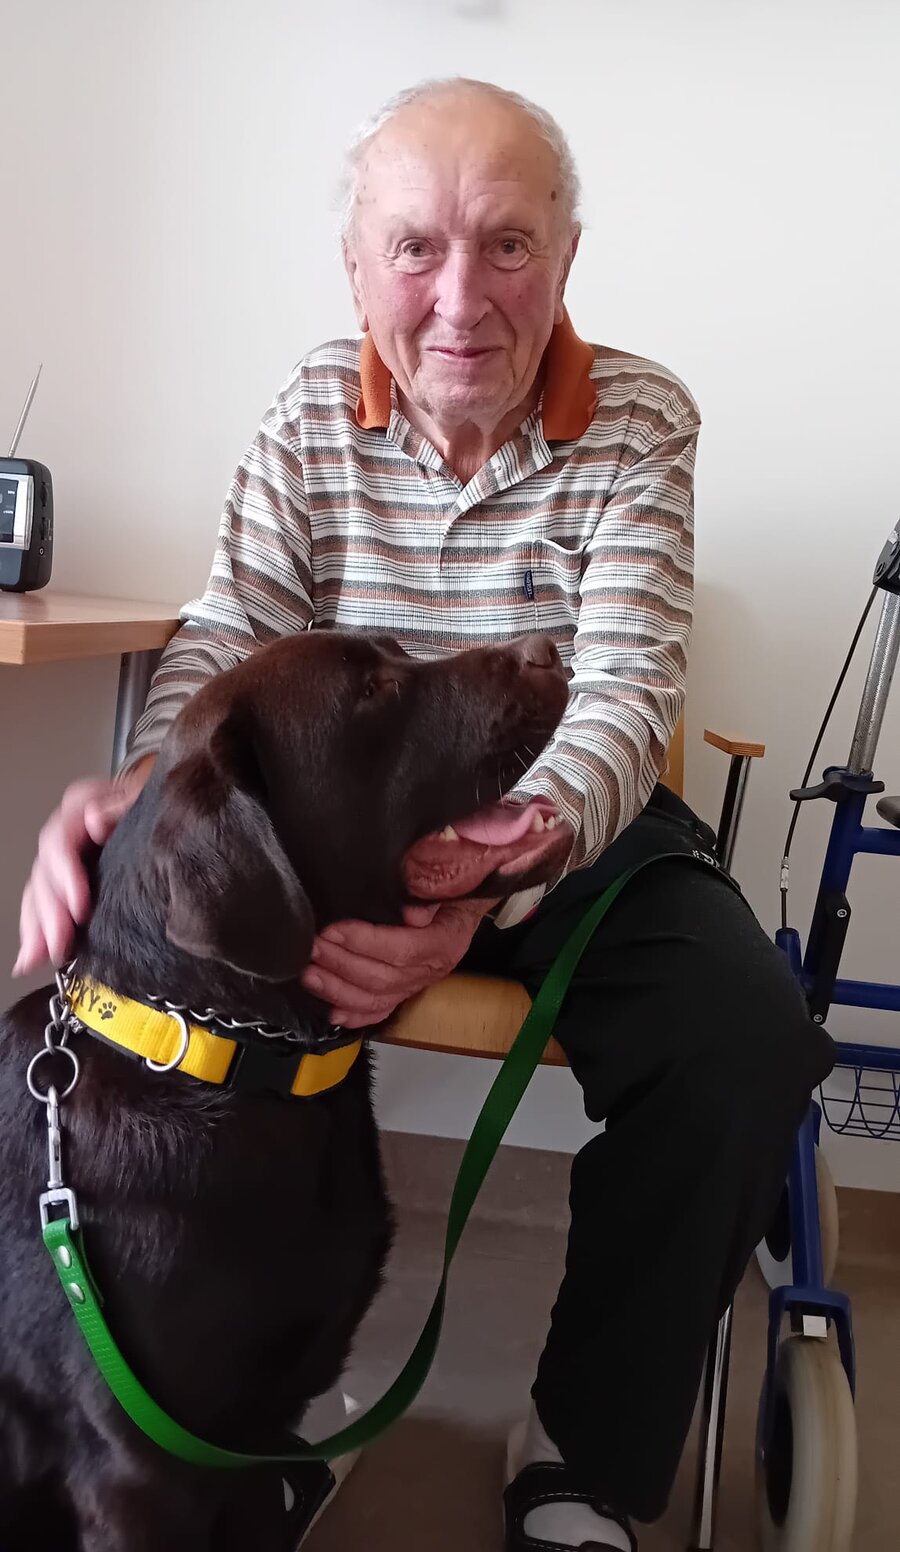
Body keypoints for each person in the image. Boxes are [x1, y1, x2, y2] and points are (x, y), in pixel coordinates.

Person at [14, 79, 833, 1551]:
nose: (462, 298)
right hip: (354, 834)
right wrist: (140, 796)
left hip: (565, 832)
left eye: (508, 245)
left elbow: (625, 690)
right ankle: (226, 1412)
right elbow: (232, 632)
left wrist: (486, 877)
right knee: (145, 976)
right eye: (415, 248)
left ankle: (588, 1452)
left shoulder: (641, 415)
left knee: (742, 1037)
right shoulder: (309, 408)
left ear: (565, 259)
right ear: (357, 268)